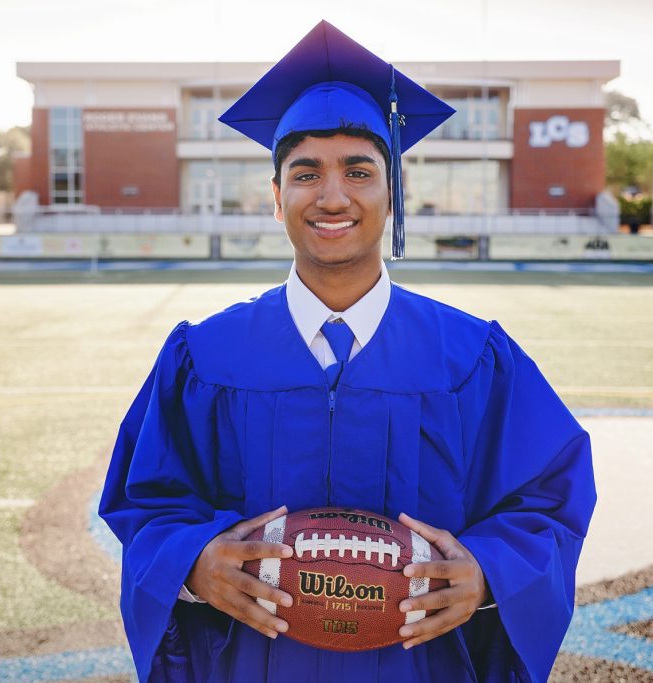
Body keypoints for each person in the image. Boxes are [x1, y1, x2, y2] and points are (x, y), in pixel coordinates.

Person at [99, 20, 596, 683]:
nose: (333, 195)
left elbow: (549, 499)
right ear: (276, 198)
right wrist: (191, 561)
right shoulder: (204, 357)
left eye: (359, 170)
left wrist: (487, 572)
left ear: (394, 193)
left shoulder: (474, 358)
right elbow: (144, 501)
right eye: (306, 173)